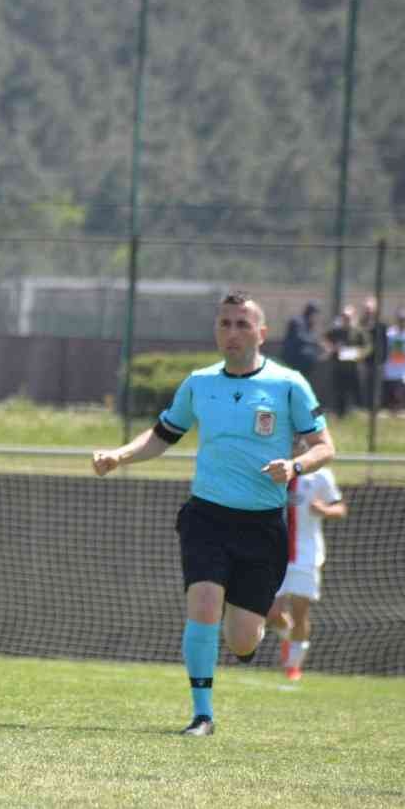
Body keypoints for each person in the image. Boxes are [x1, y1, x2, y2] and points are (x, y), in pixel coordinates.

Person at [91, 291, 335, 736]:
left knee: (241, 639)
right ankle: (202, 715)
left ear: (261, 333)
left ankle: (256, 629)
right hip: (207, 517)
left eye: (243, 324)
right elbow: (163, 435)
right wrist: (119, 456)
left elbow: (325, 446)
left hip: (262, 527)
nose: (232, 332)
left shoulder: (288, 385)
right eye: (225, 323)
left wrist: (295, 466)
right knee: (203, 604)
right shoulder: (199, 383)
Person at [265, 436, 347, 682]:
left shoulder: (320, 476)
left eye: (299, 442)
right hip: (274, 554)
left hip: (306, 555)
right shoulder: (272, 472)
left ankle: (294, 666)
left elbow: (340, 508)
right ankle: (291, 639)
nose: (294, 446)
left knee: (300, 612)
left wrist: (325, 510)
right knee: (270, 613)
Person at [325, 304, 367, 416]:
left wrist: (358, 353)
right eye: (344, 317)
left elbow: (366, 347)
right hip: (339, 367)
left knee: (354, 391)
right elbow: (325, 340)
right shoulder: (336, 331)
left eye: (348, 317)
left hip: (353, 367)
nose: (346, 320)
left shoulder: (358, 332)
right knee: (339, 391)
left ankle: (356, 412)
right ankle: (340, 413)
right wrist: (331, 348)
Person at [281, 301, 322, 379]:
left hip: (303, 362)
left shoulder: (309, 324)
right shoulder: (297, 321)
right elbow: (300, 338)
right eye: (315, 314)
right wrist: (316, 342)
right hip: (293, 359)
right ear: (310, 313)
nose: (316, 317)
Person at [359, 296, 387, 411]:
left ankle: (375, 408)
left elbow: (384, 344)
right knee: (365, 385)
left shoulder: (381, 325)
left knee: (376, 386)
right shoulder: (361, 325)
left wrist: (383, 360)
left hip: (377, 361)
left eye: (370, 310)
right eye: (367, 310)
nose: (369, 312)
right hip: (365, 361)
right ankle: (365, 406)